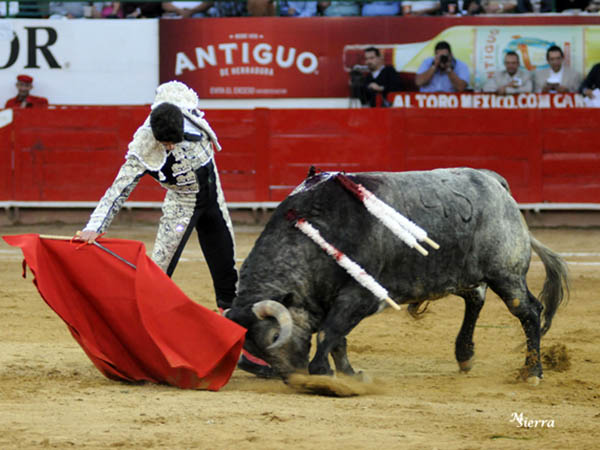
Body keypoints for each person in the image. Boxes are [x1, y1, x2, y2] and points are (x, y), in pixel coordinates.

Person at [74, 81, 270, 377]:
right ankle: (141, 345)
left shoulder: (189, 116)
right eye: (164, 144)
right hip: (181, 205)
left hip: (213, 197)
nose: (168, 147)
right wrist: (94, 227)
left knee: (226, 271)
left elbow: (174, 92)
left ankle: (243, 345)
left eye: (172, 142)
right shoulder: (143, 145)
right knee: (157, 275)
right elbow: (119, 189)